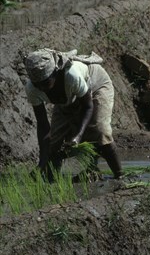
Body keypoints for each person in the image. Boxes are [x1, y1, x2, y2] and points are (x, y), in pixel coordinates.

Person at [24, 48, 122, 180]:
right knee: (54, 144)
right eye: (38, 85)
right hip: (68, 98)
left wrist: (78, 135)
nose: (41, 88)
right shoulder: (32, 89)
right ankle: (51, 181)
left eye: (45, 83)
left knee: (100, 131)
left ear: (55, 74)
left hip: (95, 84)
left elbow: (87, 106)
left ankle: (120, 175)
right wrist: (42, 162)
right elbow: (43, 125)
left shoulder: (71, 75)